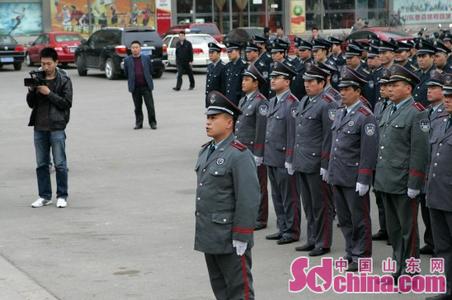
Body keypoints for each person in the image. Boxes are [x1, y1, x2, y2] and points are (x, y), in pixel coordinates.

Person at [194, 91, 260, 300]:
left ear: (229, 122)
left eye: (214, 118)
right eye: (207, 118)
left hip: (230, 237)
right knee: (220, 289)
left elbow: (248, 198)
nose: (208, 123)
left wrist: (242, 235)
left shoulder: (239, 155)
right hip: (210, 234)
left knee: (240, 291)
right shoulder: (206, 151)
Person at [374, 65, 429, 281]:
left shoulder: (417, 112)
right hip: (386, 179)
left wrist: (415, 182)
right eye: (389, 85)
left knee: (408, 229)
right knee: (394, 229)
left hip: (404, 180)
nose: (390, 89)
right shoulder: (388, 109)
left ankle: (411, 268)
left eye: (395, 85)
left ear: (408, 88)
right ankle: (398, 264)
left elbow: (420, 151)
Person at [328, 68, 378, 271]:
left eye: (347, 89)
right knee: (345, 218)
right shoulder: (341, 112)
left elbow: (368, 151)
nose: (343, 92)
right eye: (341, 89)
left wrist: (364, 178)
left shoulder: (365, 116)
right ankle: (351, 251)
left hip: (353, 175)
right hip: (338, 173)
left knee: (359, 219)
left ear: (358, 91)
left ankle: (362, 256)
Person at [292, 64, 337, 256]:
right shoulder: (303, 101)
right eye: (306, 82)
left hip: (316, 163)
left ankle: (323, 242)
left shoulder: (327, 103)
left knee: (321, 205)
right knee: (308, 204)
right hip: (302, 161)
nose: (307, 85)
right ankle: (312, 238)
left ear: (322, 83)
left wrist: (325, 165)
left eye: (312, 82)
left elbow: (329, 137)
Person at [26, 47, 72, 209]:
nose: (45, 67)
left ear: (56, 62)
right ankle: (44, 196)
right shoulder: (37, 78)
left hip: (57, 126)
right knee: (41, 164)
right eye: (43, 64)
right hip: (39, 127)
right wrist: (32, 91)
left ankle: (62, 195)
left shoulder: (64, 80)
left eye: (48, 64)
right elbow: (31, 104)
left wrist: (48, 92)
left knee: (60, 164)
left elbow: (66, 104)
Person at [264, 62, 300, 245]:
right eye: (272, 77)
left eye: (276, 78)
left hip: (284, 157)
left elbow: (293, 135)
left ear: (287, 82)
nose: (272, 81)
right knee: (277, 196)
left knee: (289, 196)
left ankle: (292, 230)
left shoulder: (293, 104)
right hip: (271, 156)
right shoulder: (272, 102)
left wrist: (290, 159)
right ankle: (282, 227)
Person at [425, 73, 452, 300]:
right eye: (447, 96)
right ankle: (448, 287)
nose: (448, 100)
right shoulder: (441, 121)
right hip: (436, 194)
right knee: (442, 246)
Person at [235, 64, 269, 230]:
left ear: (256, 83)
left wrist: (259, 153)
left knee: (259, 185)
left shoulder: (261, 103)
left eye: (247, 79)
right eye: (243, 79)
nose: (243, 82)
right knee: (246, 185)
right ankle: (249, 215)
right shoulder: (243, 100)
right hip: (242, 149)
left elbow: (261, 130)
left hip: (254, 151)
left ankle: (261, 218)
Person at [123, 40, 157, 130]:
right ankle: (139, 123)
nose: (135, 49)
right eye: (133, 48)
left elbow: (150, 70)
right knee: (137, 107)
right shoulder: (127, 60)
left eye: (136, 47)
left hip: (146, 86)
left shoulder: (146, 58)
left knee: (150, 106)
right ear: (131, 49)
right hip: (135, 87)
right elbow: (126, 73)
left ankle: (152, 123)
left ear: (140, 49)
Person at [414, 40, 436, 107]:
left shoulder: (437, 75)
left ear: (432, 57)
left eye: (423, 56)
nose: (420, 59)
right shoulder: (415, 74)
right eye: (419, 56)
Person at [205, 42, 225, 107]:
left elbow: (224, 87)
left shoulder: (223, 67)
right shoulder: (210, 66)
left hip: (218, 100)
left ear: (219, 54)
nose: (210, 55)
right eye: (209, 53)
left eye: (212, 53)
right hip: (210, 98)